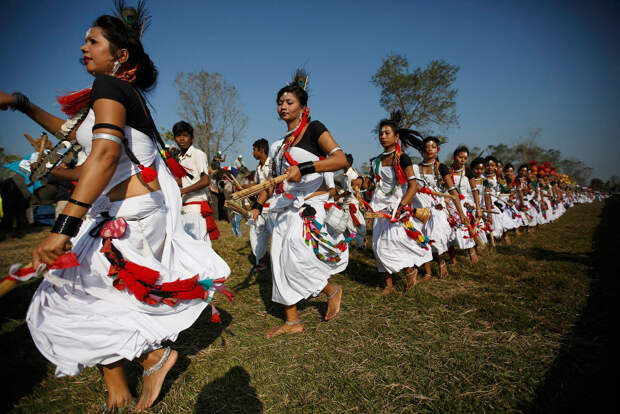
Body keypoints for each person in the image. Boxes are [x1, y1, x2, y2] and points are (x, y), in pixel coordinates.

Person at [0, 6, 230, 411]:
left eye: (93, 41)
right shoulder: (104, 99)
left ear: (120, 55)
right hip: (121, 212)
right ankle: (125, 381)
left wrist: (63, 228)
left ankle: (152, 360)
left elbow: (104, 156)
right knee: (77, 295)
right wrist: (22, 104)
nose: (83, 47)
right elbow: (83, 145)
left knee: (80, 296)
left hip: (132, 217)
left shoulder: (110, 90)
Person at [248, 70, 348, 338]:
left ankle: (331, 290)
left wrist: (304, 167)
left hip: (308, 204)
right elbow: (271, 181)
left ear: (304, 107)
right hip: (281, 206)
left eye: (289, 102)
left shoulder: (315, 129)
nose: (283, 106)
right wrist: (258, 205)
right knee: (278, 261)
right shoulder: (277, 144)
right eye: (280, 102)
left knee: (296, 254)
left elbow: (340, 161)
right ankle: (292, 321)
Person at [368, 115, 433, 294]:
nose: (382, 136)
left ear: (396, 137)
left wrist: (403, 206)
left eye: (387, 133)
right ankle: (388, 284)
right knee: (378, 245)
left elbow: (412, 186)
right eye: (380, 133)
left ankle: (411, 269)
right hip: (379, 206)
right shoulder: (376, 161)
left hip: (398, 205)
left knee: (399, 240)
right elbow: (374, 183)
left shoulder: (402, 159)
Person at [412, 136, 470, 278]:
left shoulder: (441, 168)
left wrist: (461, 213)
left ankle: (441, 262)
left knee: (435, 238)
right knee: (420, 238)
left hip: (436, 209)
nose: (430, 149)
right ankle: (427, 271)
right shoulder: (414, 169)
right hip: (419, 210)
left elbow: (453, 192)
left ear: (437, 150)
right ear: (422, 151)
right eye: (427, 147)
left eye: (433, 147)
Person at [173, 120, 219, 245]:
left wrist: (182, 191)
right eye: (178, 136)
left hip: (196, 209)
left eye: (185, 135)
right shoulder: (180, 159)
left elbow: (205, 180)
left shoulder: (197, 154)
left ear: (192, 139)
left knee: (199, 248)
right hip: (185, 209)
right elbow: (187, 182)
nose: (181, 139)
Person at [447, 146, 479, 264]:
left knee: (465, 227)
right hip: (450, 203)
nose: (463, 160)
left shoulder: (467, 171)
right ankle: (452, 258)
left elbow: (475, 189)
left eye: (465, 158)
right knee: (448, 228)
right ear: (454, 157)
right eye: (460, 157)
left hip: (464, 204)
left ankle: (471, 251)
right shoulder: (446, 170)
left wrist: (477, 206)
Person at [248, 138, 273, 270]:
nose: (252, 152)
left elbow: (269, 187)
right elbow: (257, 185)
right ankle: (261, 261)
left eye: (254, 149)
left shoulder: (272, 165)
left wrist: (258, 204)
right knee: (257, 233)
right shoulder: (258, 167)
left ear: (261, 150)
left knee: (275, 236)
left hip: (272, 207)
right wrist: (245, 188)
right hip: (260, 207)